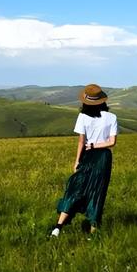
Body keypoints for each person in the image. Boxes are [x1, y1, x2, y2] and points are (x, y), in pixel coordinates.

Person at [50, 83, 117, 237]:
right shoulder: (112, 117)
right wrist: (96, 146)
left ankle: (58, 227)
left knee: (75, 189)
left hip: (87, 156)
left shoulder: (82, 117)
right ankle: (94, 232)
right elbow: (112, 142)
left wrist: (77, 161)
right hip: (103, 158)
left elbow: (81, 141)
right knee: (97, 192)